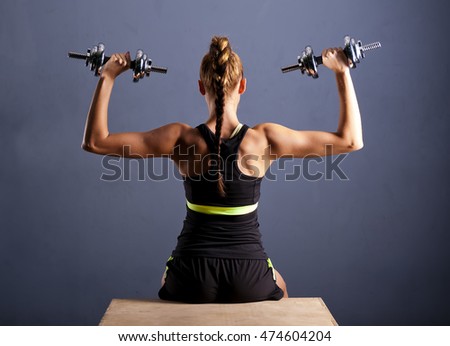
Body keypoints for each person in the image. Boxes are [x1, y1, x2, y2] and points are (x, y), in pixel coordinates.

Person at [82, 36, 363, 303]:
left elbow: (95, 142)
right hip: (249, 276)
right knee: (281, 286)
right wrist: (341, 71)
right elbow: (350, 140)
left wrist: (107, 77)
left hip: (190, 275)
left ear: (201, 87)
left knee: (166, 277)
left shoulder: (180, 139)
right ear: (242, 86)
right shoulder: (265, 139)